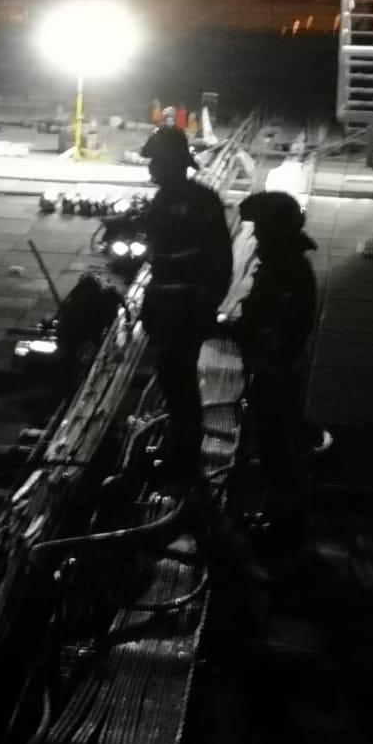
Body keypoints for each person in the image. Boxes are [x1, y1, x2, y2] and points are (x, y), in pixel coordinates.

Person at [139, 126, 233, 485]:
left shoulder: (200, 202)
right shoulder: (163, 200)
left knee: (178, 377)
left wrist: (205, 302)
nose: (150, 169)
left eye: (155, 161)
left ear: (172, 162)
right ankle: (180, 451)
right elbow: (160, 261)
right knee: (171, 376)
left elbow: (219, 259)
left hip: (187, 307)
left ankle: (185, 459)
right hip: (167, 305)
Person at [228, 191, 320, 530]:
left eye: (260, 230)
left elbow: (282, 328)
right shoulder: (283, 266)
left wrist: (262, 356)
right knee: (274, 441)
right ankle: (282, 512)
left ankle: (285, 521)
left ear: (275, 232)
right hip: (272, 369)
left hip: (276, 372)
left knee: (277, 444)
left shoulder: (288, 273)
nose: (255, 237)